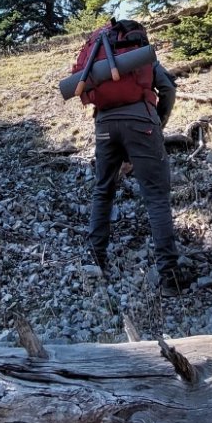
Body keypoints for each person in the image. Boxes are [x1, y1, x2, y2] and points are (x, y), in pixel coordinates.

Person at [85, 22, 187, 294]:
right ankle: (170, 278)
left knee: (103, 190)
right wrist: (159, 122)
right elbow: (168, 89)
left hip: (105, 125)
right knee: (156, 196)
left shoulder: (100, 57)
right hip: (142, 123)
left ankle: (95, 262)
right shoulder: (140, 55)